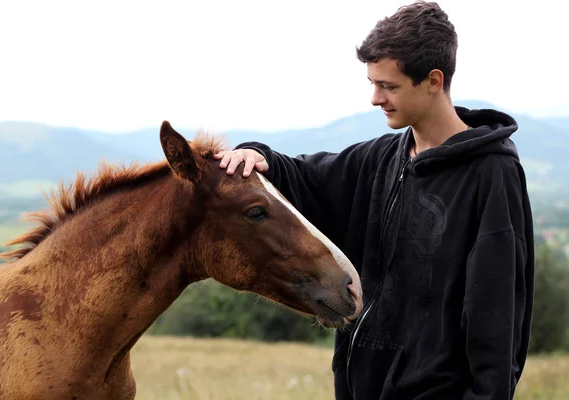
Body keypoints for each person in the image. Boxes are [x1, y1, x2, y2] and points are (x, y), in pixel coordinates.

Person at [214, 1, 534, 398]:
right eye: (372, 83)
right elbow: (306, 179)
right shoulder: (381, 158)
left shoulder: (491, 174)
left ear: (434, 80)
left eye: (389, 86)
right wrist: (257, 156)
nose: (375, 98)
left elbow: (498, 314)